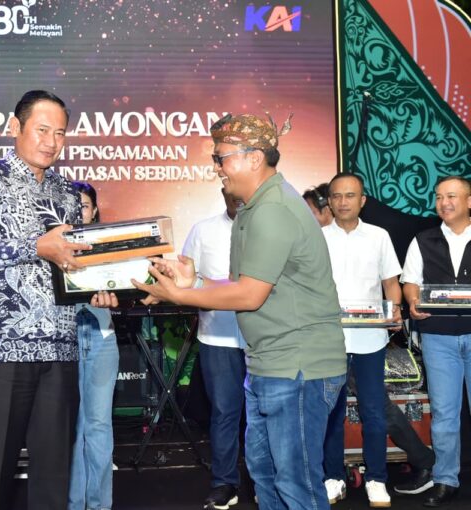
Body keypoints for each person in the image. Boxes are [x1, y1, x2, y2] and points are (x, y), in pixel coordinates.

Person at [133, 113, 347, 510]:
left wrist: (179, 297)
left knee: (295, 483)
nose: (216, 167)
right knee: (265, 474)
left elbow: (249, 296)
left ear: (254, 158)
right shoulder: (253, 208)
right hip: (269, 364)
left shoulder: (274, 210)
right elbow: (243, 284)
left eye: (221, 158)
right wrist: (193, 283)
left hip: (298, 367)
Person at [0, 90, 94, 510]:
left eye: (60, 133)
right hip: (1, 350)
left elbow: (71, 264)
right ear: (15, 127)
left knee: (54, 476)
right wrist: (36, 246)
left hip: (60, 348)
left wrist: (99, 287)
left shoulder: (68, 192)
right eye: (42, 130)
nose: (51, 142)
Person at [320, 173, 402, 507]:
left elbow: (390, 283)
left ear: (362, 200)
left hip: (371, 338)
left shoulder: (379, 236)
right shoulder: (317, 237)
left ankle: (377, 479)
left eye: (350, 195)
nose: (343, 202)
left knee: (373, 411)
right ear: (329, 201)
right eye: (337, 196)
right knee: (331, 412)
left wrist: (395, 311)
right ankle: (333, 477)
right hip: (329, 338)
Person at [402, 175, 471, 507]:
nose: (445, 202)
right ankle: (446, 479)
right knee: (444, 414)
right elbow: (410, 281)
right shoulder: (423, 240)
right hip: (438, 337)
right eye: (440, 196)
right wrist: (413, 301)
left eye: (452, 196)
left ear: (469, 201)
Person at [181, 188, 246, 510]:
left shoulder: (271, 229)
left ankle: (267, 480)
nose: (238, 196)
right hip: (217, 337)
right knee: (224, 413)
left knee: (268, 413)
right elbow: (186, 278)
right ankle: (224, 483)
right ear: (222, 192)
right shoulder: (202, 230)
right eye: (231, 190)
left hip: (267, 338)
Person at [68, 181, 119, 510]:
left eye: (84, 206)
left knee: (99, 425)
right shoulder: (53, 248)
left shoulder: (109, 247)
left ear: (95, 210)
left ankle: (99, 505)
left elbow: (123, 287)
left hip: (101, 338)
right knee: (73, 427)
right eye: (73, 206)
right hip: (65, 340)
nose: (79, 212)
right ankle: (74, 503)